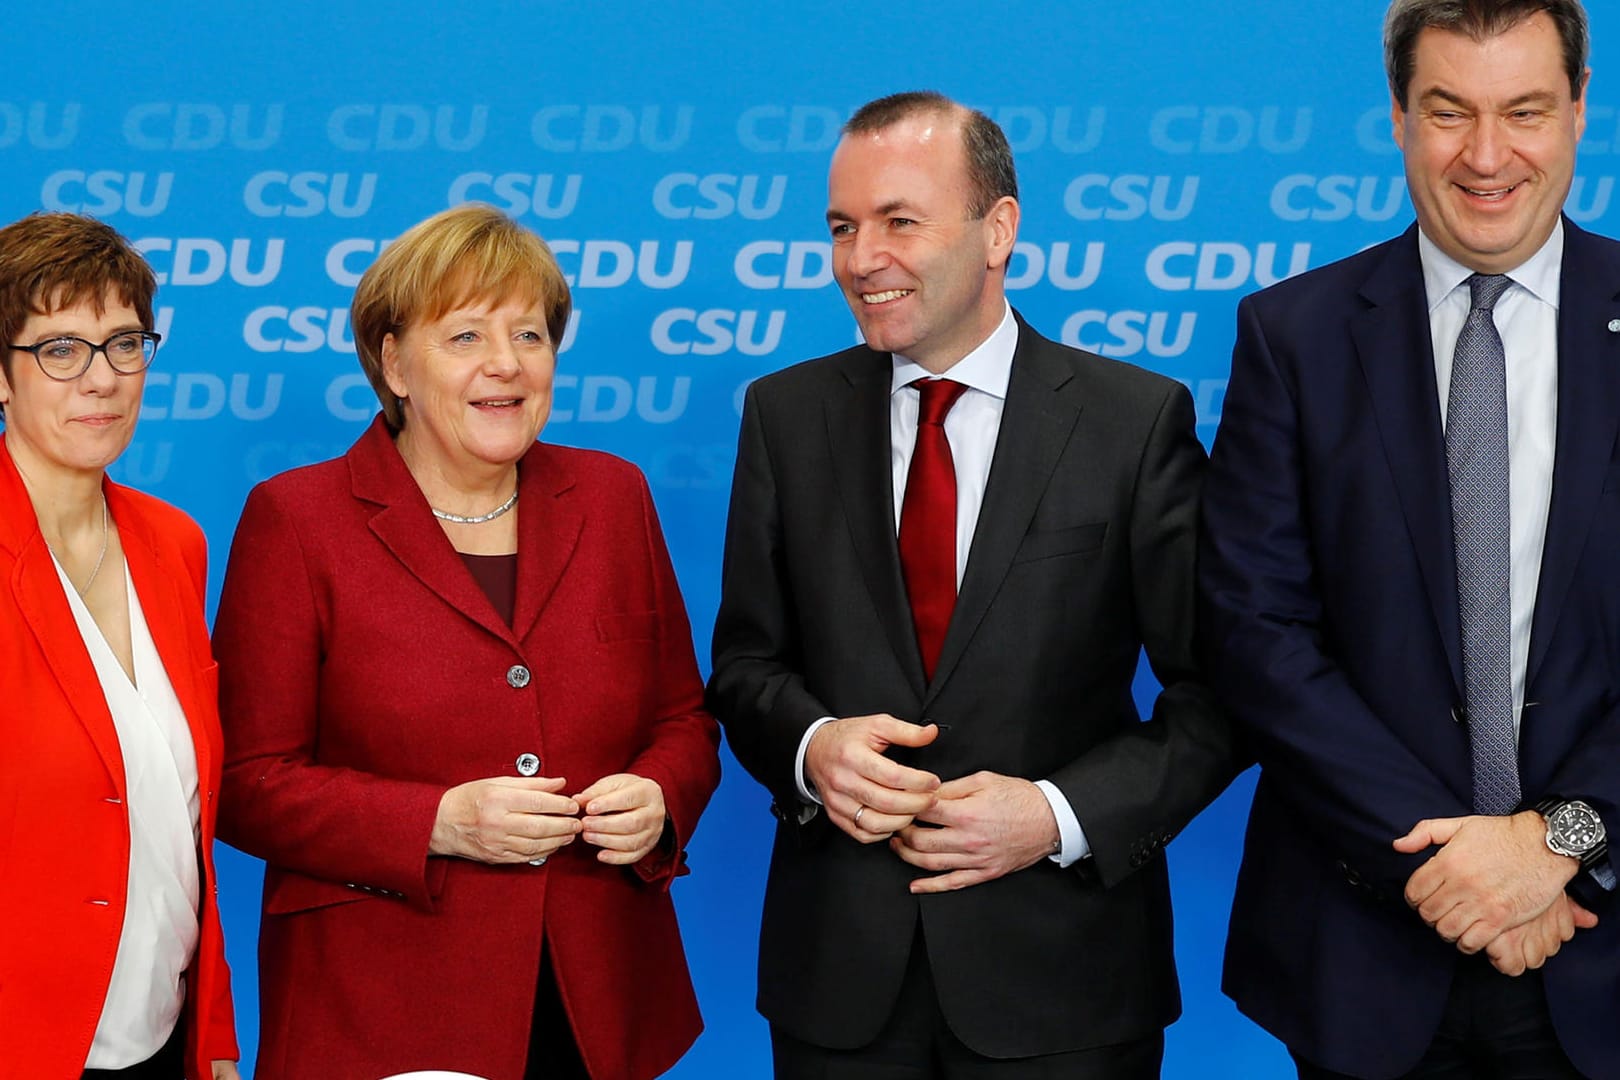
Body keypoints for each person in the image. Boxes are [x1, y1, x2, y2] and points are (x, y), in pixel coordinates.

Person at [707, 91, 1236, 1078]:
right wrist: (815, 749)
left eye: (899, 221)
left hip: (1065, 990)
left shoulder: (1132, 423)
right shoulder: (785, 417)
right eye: (842, 227)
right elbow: (744, 665)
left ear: (998, 231)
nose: (862, 259)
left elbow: (1220, 700)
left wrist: (1057, 815)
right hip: (839, 994)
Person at [1200, 2, 1620, 1077]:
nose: (1487, 156)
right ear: (1397, 117)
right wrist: (1463, 867)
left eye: (1524, 110)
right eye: (1448, 112)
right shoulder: (1292, 336)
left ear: (1580, 110)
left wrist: (1551, 846)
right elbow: (1257, 636)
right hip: (1364, 950)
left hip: (1603, 951)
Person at [212, 203, 721, 1080]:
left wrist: (658, 794)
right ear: (393, 361)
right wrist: (436, 822)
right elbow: (244, 783)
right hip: (383, 1010)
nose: (506, 364)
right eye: (465, 336)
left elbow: (684, 717)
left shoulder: (612, 497)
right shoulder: (297, 519)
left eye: (529, 333)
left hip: (598, 1002)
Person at [0, 213, 239, 1080]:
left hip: (159, 1039)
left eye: (123, 344)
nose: (101, 380)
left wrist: (211, 1038)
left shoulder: (173, 542)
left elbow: (183, 822)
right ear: (2, 373)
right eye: (59, 349)